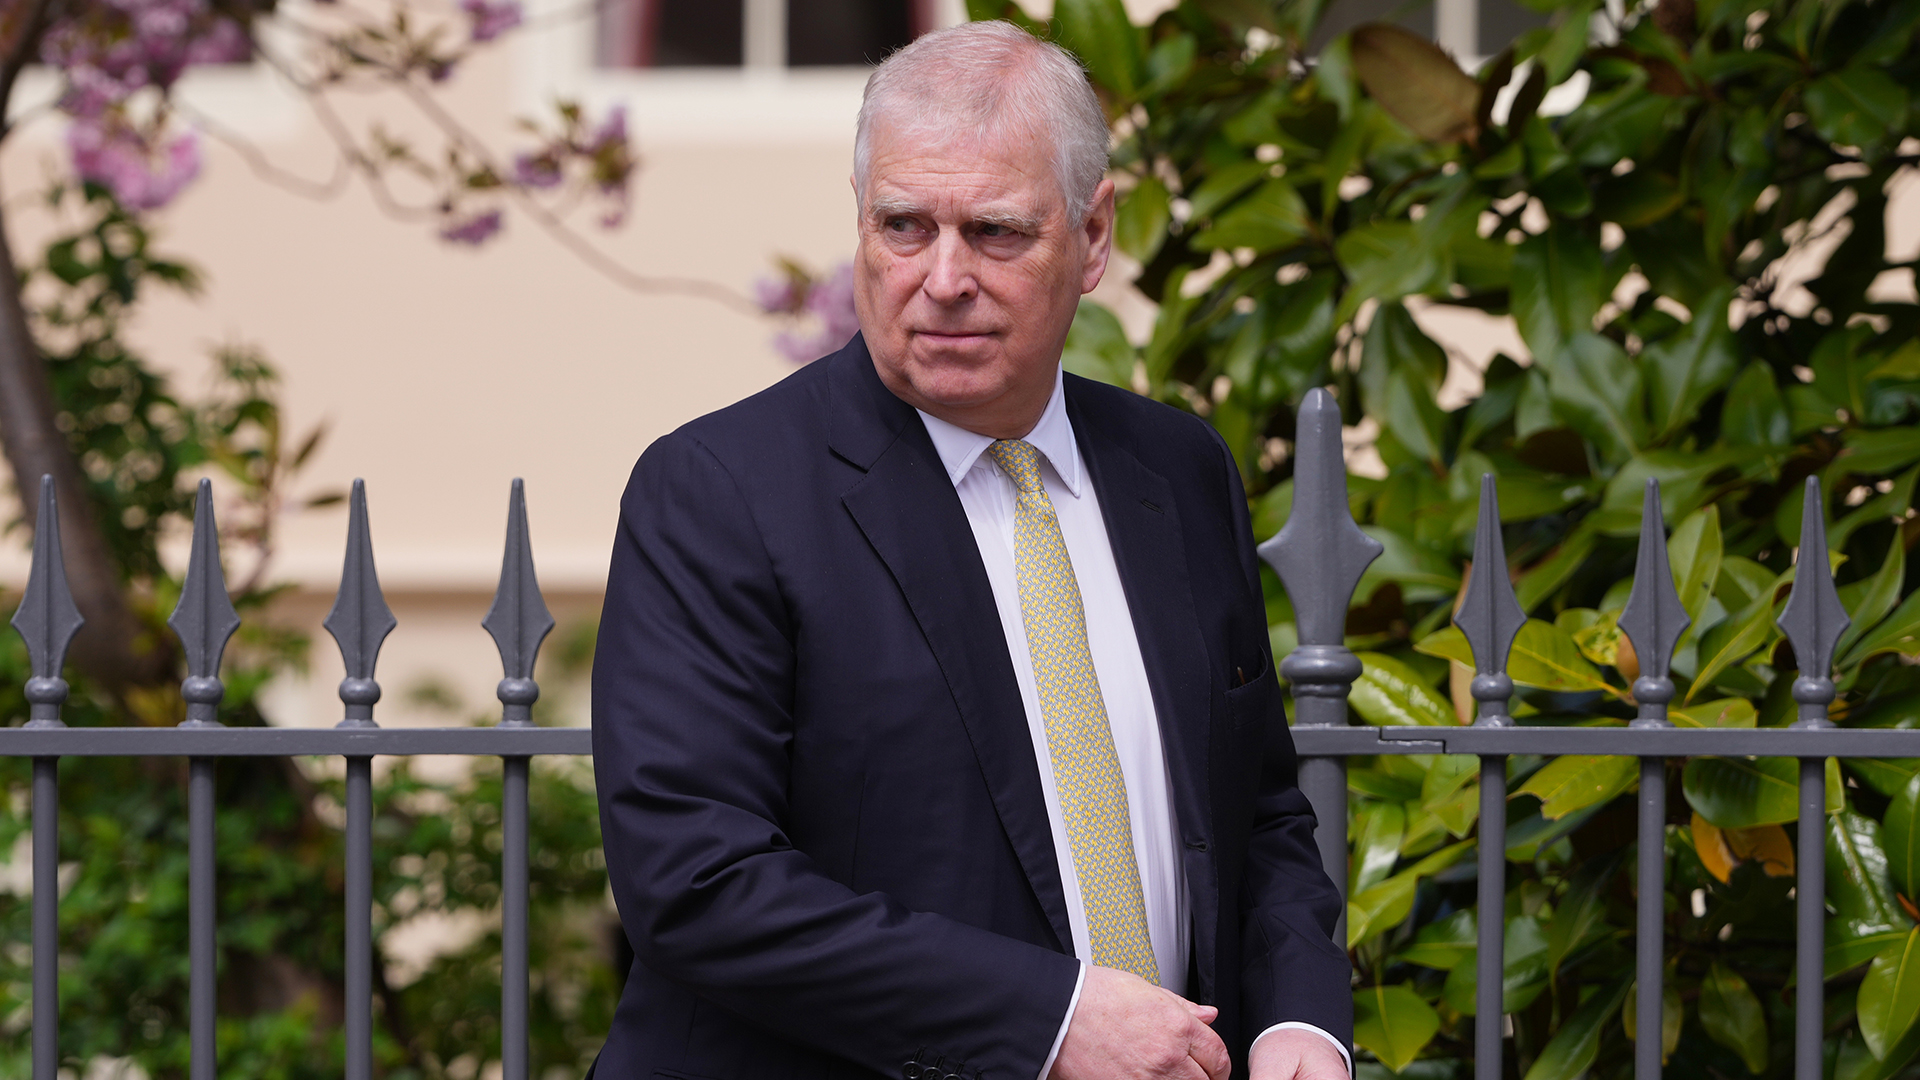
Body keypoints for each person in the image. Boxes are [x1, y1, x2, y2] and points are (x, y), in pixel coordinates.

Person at [590, 20, 1351, 1080]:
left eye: (995, 233)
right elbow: (698, 882)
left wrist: (1298, 1024)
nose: (942, 278)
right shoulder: (721, 493)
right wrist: (1054, 1020)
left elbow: (1259, 812)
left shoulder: (1174, 472)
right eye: (903, 226)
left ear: (1093, 238)